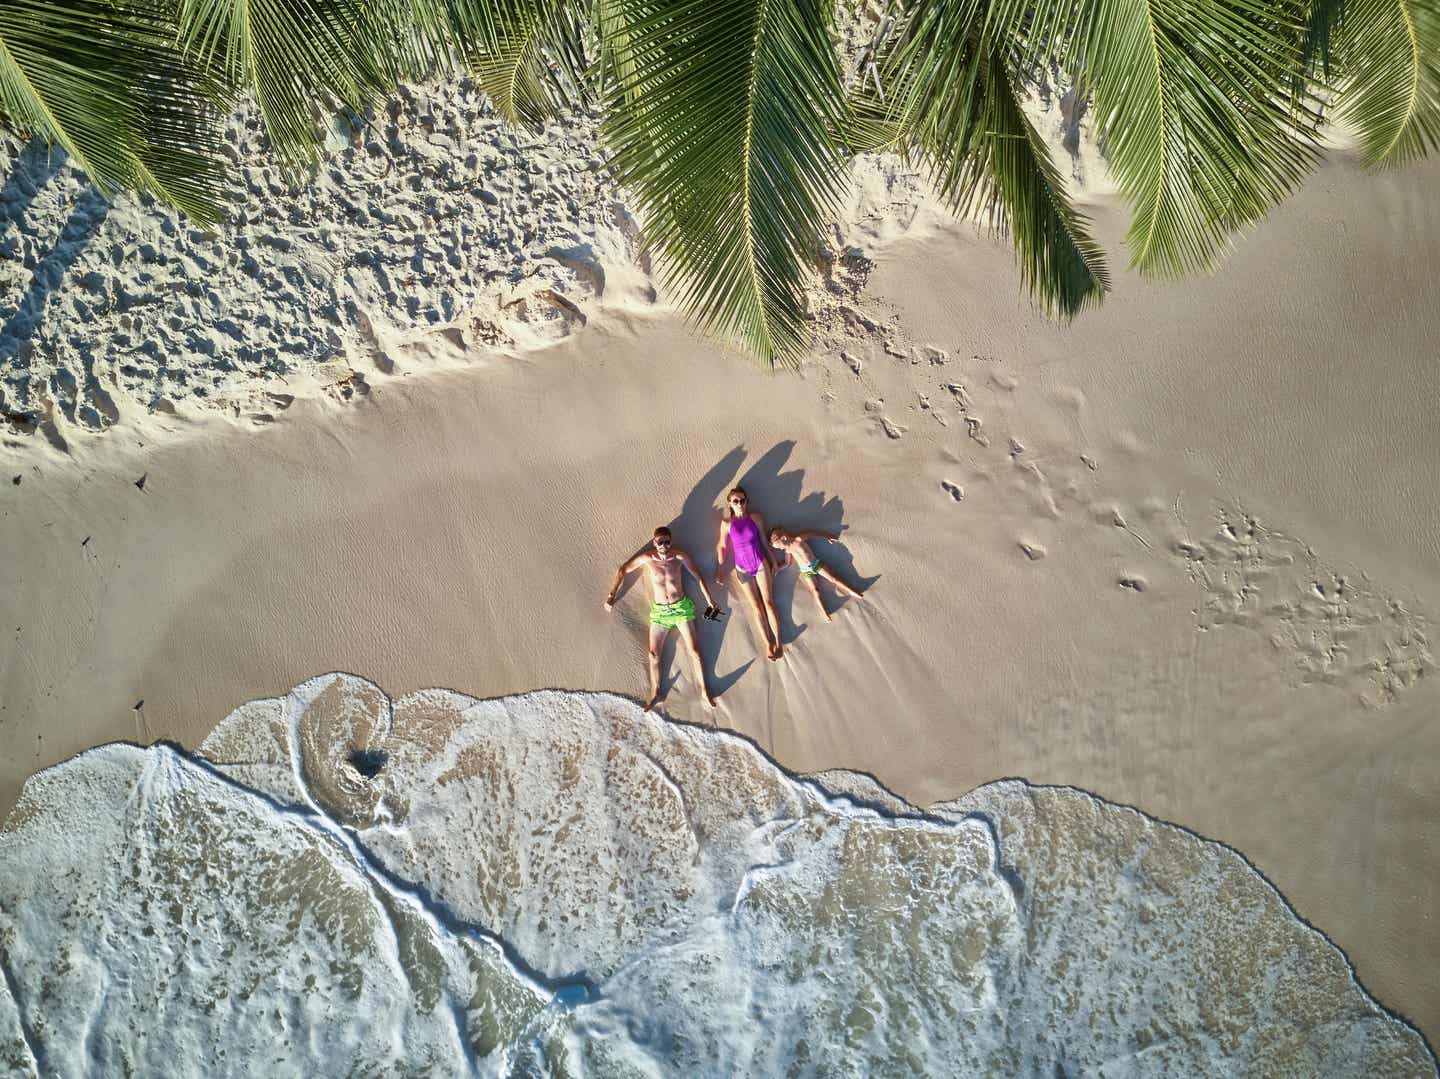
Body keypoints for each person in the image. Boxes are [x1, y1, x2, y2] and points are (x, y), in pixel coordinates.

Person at [604, 526, 719, 710]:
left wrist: (710, 600)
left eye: (667, 541)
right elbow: (623, 570)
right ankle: (656, 692)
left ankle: (704, 691)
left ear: (671, 541)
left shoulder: (679, 556)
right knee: (653, 654)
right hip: (660, 613)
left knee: (695, 652)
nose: (664, 545)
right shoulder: (648, 558)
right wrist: (611, 596)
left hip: (681, 609)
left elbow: (697, 576)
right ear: (654, 542)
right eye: (660, 542)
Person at [715, 486, 783, 660]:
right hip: (742, 569)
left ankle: (779, 642)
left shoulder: (755, 518)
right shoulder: (726, 524)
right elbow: (722, 546)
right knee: (756, 607)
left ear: (747, 501)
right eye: (736, 501)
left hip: (760, 563)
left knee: (768, 603)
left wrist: (774, 561)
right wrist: (721, 569)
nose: (739, 503)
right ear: (730, 503)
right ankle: (768, 644)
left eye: (742, 500)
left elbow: (763, 541)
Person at [769, 525, 864, 622]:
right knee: (815, 591)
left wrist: (827, 536)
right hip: (805, 570)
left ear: (784, 538)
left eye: (779, 546)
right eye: (778, 548)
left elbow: (813, 533)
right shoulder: (788, 550)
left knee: (833, 579)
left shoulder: (799, 539)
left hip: (815, 564)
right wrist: (778, 569)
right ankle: (824, 612)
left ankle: (852, 591)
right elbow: (787, 563)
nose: (780, 549)